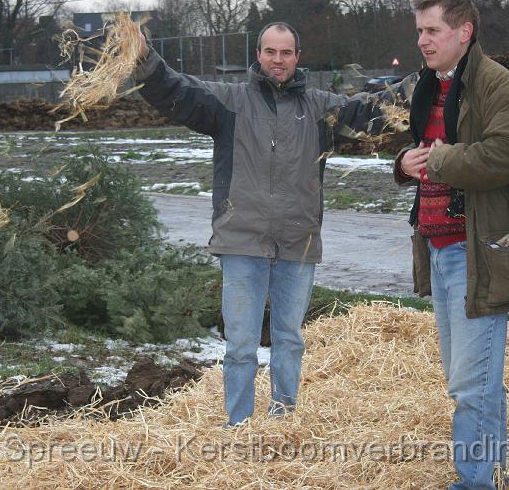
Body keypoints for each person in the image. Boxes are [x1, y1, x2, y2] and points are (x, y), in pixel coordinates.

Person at [133, 22, 379, 426]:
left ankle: (283, 422)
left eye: (285, 53)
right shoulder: (230, 101)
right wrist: (144, 59)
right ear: (258, 54)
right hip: (242, 240)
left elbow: (375, 112)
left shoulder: (321, 108)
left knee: (289, 340)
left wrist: (429, 77)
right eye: (269, 52)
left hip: (297, 243)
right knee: (241, 345)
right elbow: (177, 91)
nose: (277, 61)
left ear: (298, 57)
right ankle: (238, 427)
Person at [395, 0, 509, 489]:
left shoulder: (494, 83)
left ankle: (475, 481)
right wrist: (404, 164)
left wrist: (439, 159)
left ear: (465, 32)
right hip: (439, 247)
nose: (422, 40)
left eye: (432, 30)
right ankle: (492, 473)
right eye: (420, 30)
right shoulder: (431, 85)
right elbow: (415, 147)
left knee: (470, 382)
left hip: (477, 250)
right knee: (473, 378)